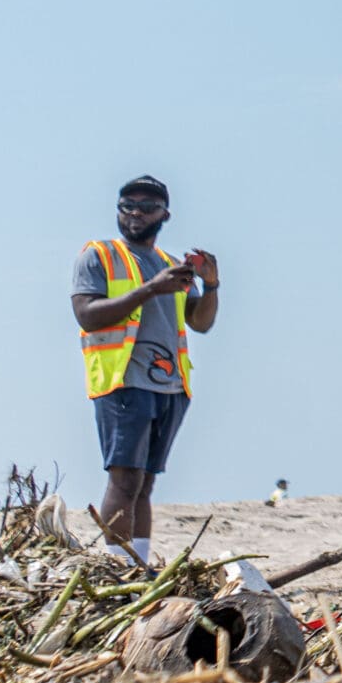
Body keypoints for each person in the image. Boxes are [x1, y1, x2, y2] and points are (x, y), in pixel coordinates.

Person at [71, 176, 220, 564]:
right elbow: (87, 315)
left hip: (170, 385)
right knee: (124, 479)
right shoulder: (99, 255)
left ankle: (138, 565)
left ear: (164, 214)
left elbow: (200, 323)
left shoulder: (170, 264)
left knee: (145, 483)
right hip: (123, 380)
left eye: (145, 206)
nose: (135, 212)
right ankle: (117, 567)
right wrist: (150, 289)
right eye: (127, 205)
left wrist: (212, 285)